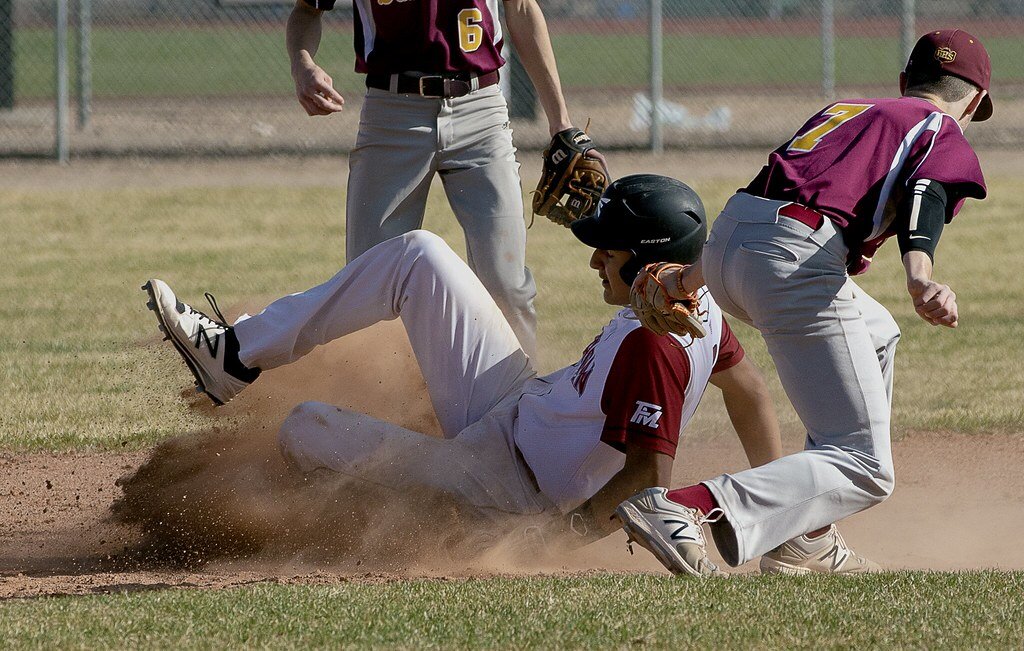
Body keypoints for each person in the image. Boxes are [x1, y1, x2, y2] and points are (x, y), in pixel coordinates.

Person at [142, 174, 780, 560]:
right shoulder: (699, 310)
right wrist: (783, 504)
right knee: (420, 256)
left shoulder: (654, 345)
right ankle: (235, 357)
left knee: (306, 427)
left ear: (645, 260)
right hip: (512, 406)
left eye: (604, 251)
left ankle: (371, 526)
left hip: (505, 483)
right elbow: (750, 395)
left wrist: (561, 539)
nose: (592, 263)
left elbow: (649, 478)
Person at [616, 29, 991, 576]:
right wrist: (921, 276)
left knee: (877, 330)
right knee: (865, 466)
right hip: (793, 263)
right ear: (975, 100)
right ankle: (682, 508)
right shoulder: (939, 127)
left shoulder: (845, 110)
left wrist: (690, 279)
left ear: (905, 82)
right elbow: (925, 196)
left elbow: (772, 193)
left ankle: (803, 537)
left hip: (733, 243)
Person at [286, 0, 602, 359]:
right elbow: (307, 10)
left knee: (506, 285)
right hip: (393, 115)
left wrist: (560, 120)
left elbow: (522, 9)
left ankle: (519, 404)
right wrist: (302, 64)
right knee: (369, 283)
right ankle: (378, 402)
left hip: (480, 110)